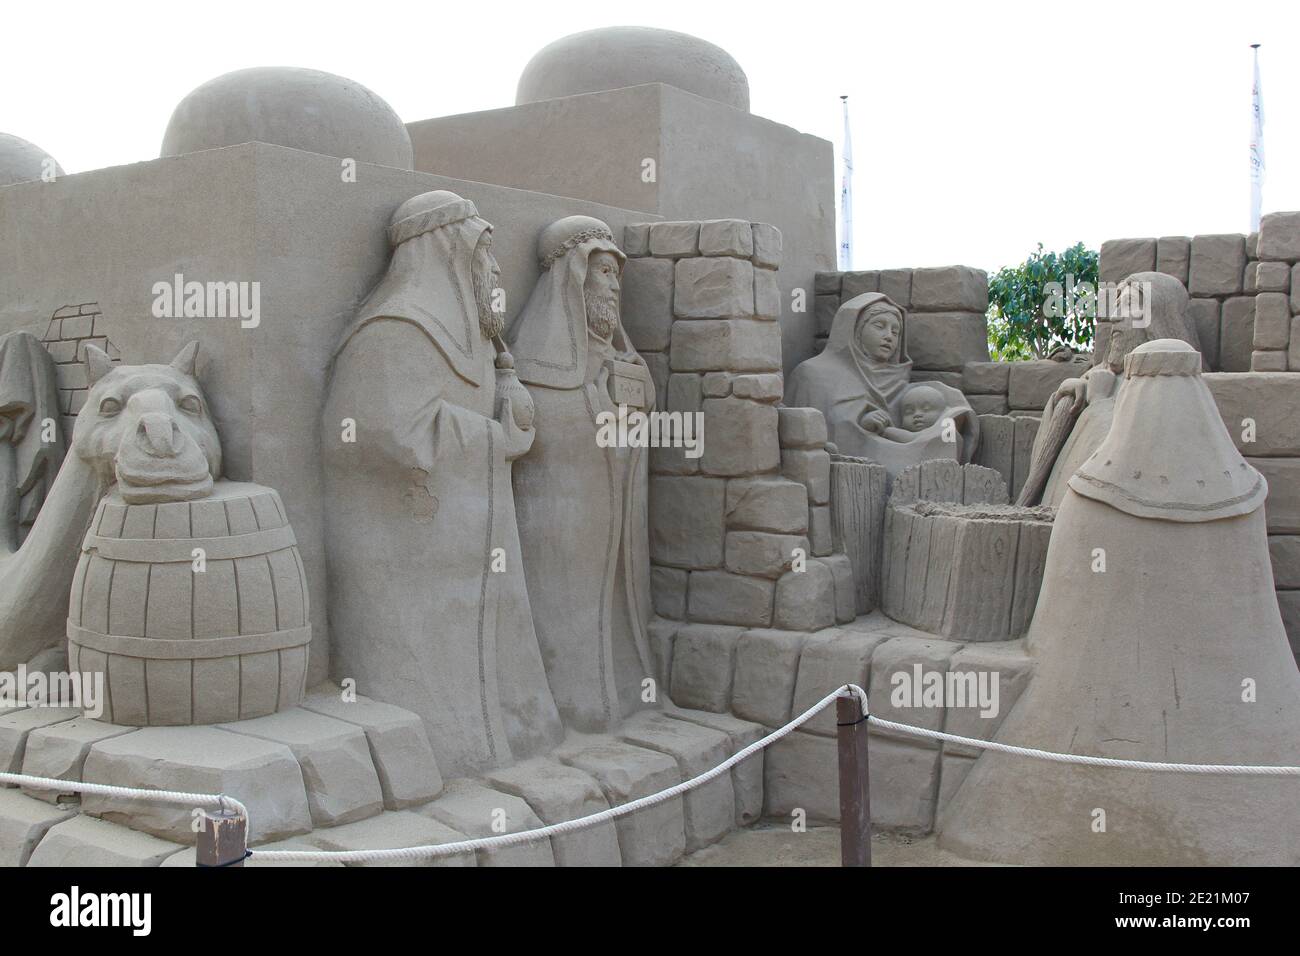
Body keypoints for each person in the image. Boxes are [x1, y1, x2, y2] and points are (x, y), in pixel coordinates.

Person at [321, 190, 562, 778]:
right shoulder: (396, 328)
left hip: (471, 543)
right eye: (483, 250)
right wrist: (489, 437)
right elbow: (383, 434)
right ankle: (450, 755)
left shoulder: (472, 338)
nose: (495, 266)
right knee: (434, 677)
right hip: (413, 554)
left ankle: (495, 744)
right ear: (446, 252)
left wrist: (508, 408)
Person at [508, 215, 657, 731]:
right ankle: (578, 707)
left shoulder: (620, 358)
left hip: (615, 529)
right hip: (564, 533)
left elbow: (635, 435)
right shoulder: (537, 360)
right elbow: (548, 441)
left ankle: (621, 698)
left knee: (616, 623)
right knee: (569, 622)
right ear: (573, 277)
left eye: (618, 275)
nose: (614, 287)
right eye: (603, 274)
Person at [785, 291, 978, 477]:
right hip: (853, 470)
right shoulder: (813, 373)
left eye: (896, 331)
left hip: (897, 451)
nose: (889, 336)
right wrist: (864, 422)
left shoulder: (897, 382)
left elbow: (914, 421)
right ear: (855, 330)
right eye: (880, 326)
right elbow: (811, 431)